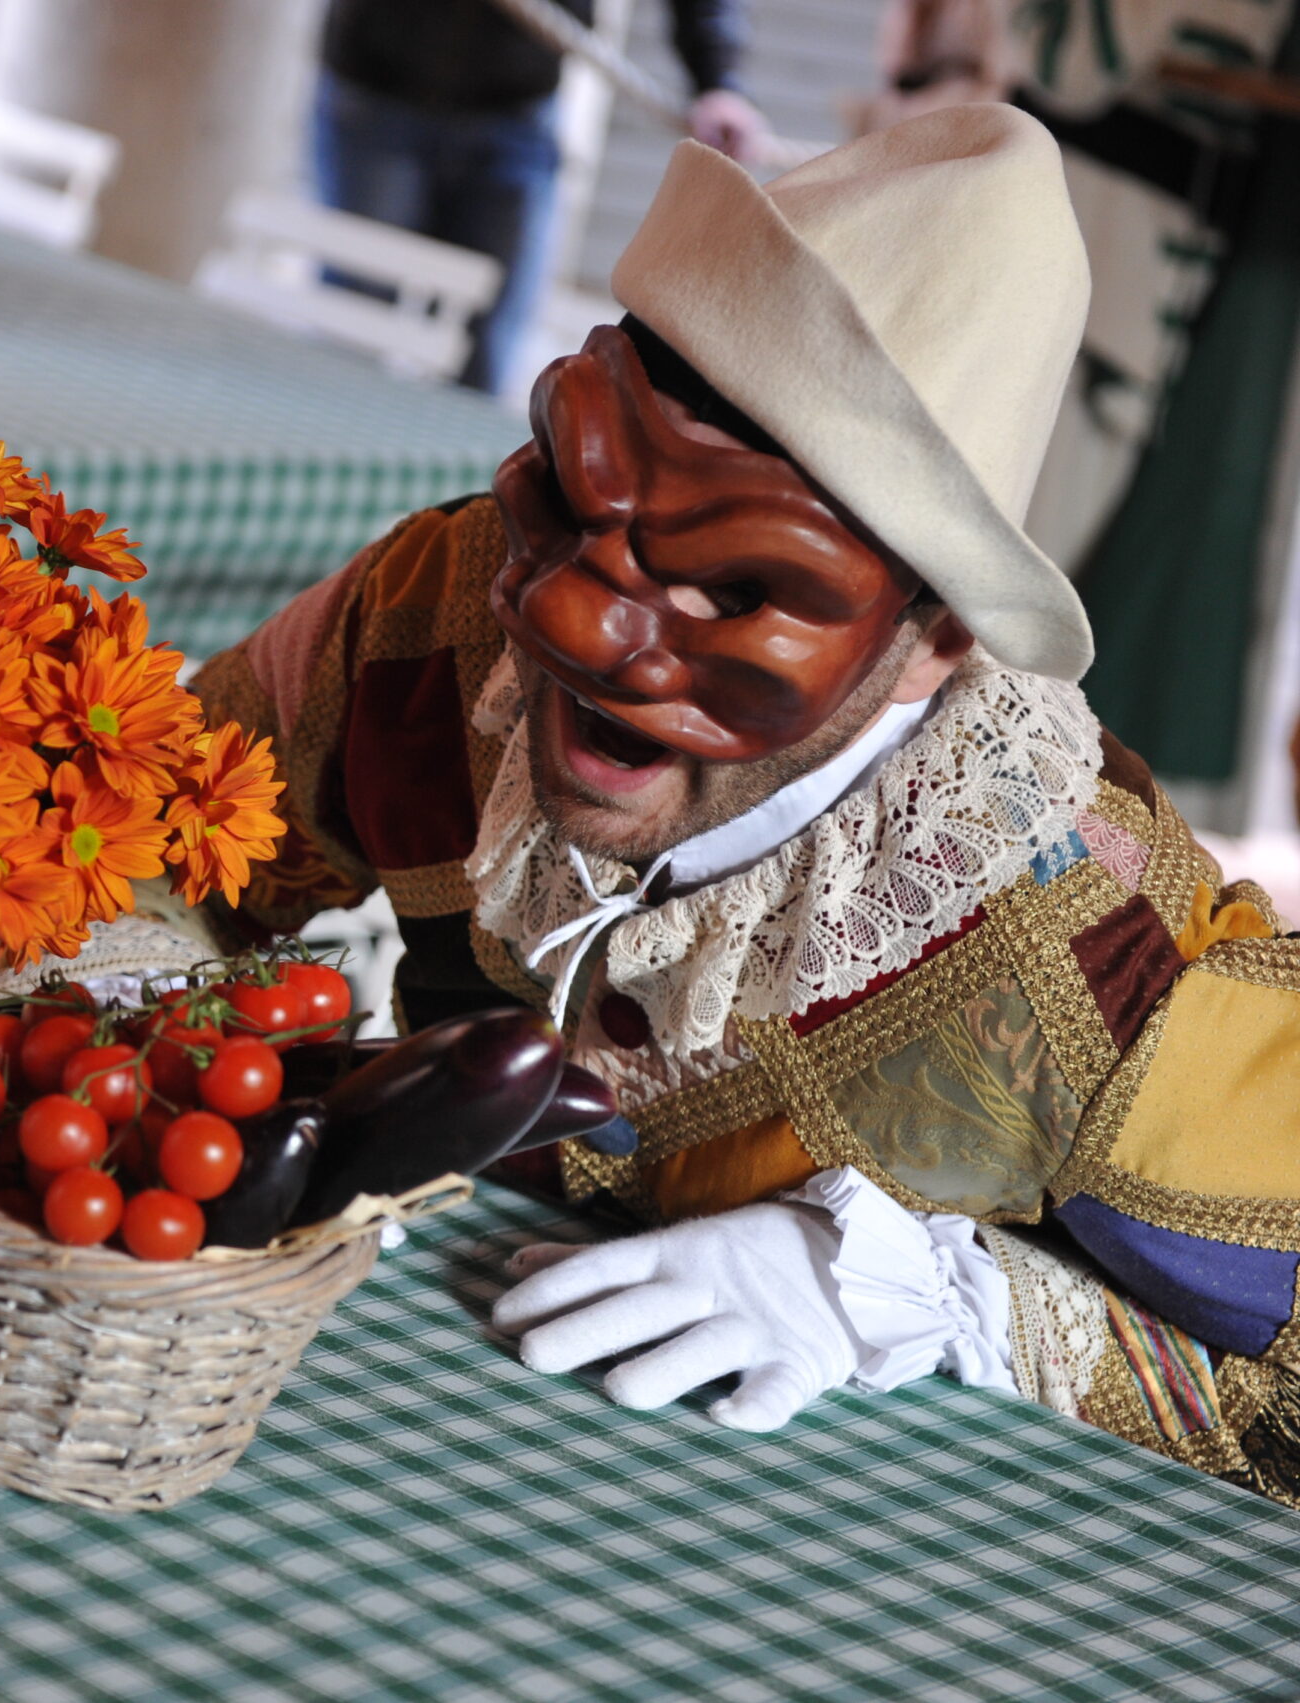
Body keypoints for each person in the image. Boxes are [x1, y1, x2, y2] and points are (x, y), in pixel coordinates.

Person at [193, 103, 1300, 1507]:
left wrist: (926, 1295)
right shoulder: (433, 611)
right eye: (577, 499)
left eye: (737, 585)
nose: (578, 619)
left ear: (939, 633)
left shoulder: (1097, 978)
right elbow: (151, 824)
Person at [315, 0, 770, 396]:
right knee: (356, 334)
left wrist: (718, 78)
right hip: (377, 87)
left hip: (517, 105)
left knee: (489, 351)